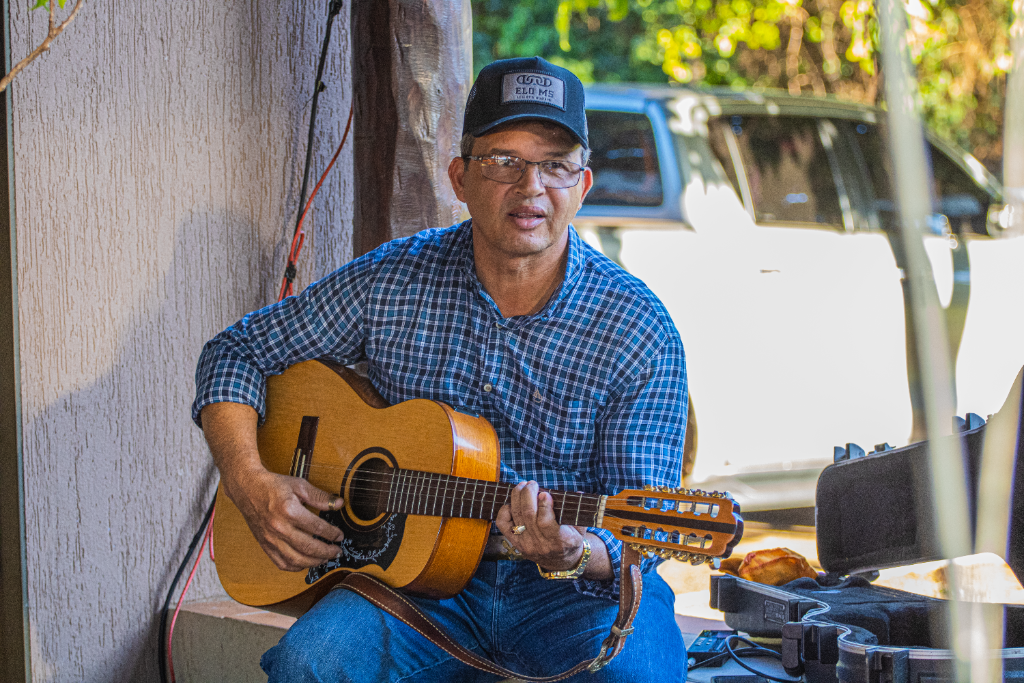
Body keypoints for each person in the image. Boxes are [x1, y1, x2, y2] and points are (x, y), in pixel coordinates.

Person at [193, 56, 689, 682]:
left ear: (583, 185)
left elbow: (643, 540)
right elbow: (237, 352)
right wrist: (250, 481)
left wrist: (572, 552)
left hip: (569, 595)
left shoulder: (636, 327)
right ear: (460, 176)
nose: (531, 186)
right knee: (310, 664)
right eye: (503, 160)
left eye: (554, 165)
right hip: (413, 585)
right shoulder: (393, 278)